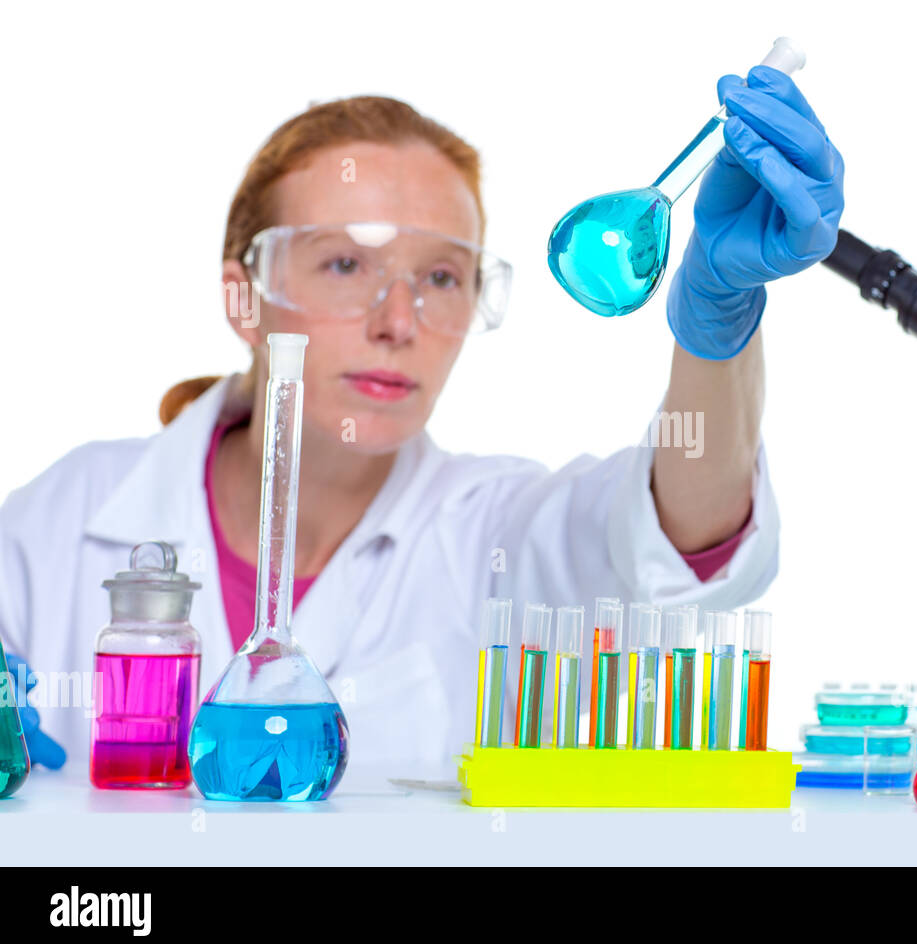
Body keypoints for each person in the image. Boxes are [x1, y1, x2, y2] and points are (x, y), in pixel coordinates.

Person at [0, 66, 844, 777]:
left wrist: (717, 324)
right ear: (244, 296)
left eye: (441, 277)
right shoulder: (62, 519)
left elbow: (684, 530)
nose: (397, 320)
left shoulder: (495, 530)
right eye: (344, 263)